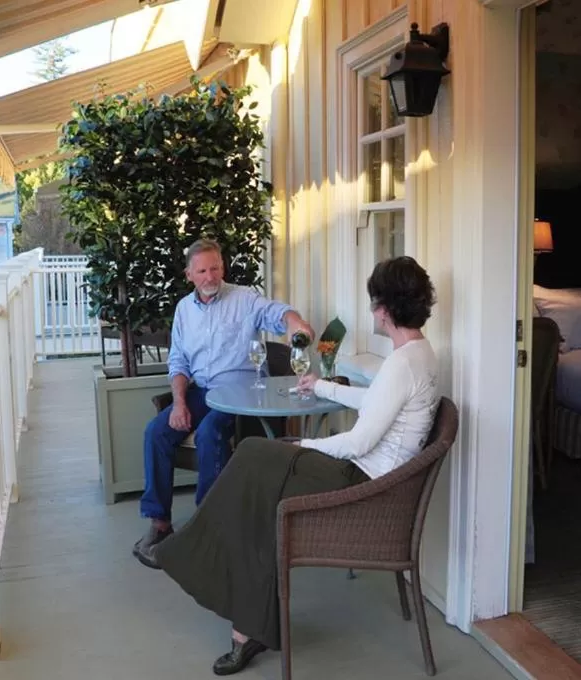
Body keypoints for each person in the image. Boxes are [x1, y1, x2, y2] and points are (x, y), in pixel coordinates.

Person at [147, 255, 440, 676]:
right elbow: (375, 402)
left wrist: (305, 444)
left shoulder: (402, 364)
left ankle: (209, 575)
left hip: (360, 483)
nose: (372, 309)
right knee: (253, 468)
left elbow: (358, 442)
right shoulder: (417, 354)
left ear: (384, 309)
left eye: (374, 301)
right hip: (372, 475)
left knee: (253, 468)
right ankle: (237, 609)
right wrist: (321, 387)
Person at [132, 238, 314, 568]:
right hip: (201, 390)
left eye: (215, 268)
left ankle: (209, 527)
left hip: (239, 391)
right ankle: (160, 524)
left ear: (222, 267)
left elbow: (276, 313)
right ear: (189, 274)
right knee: (155, 433)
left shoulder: (244, 299)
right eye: (202, 271)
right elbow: (178, 362)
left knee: (209, 434)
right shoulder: (184, 310)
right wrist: (179, 402)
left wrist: (295, 323)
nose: (210, 276)